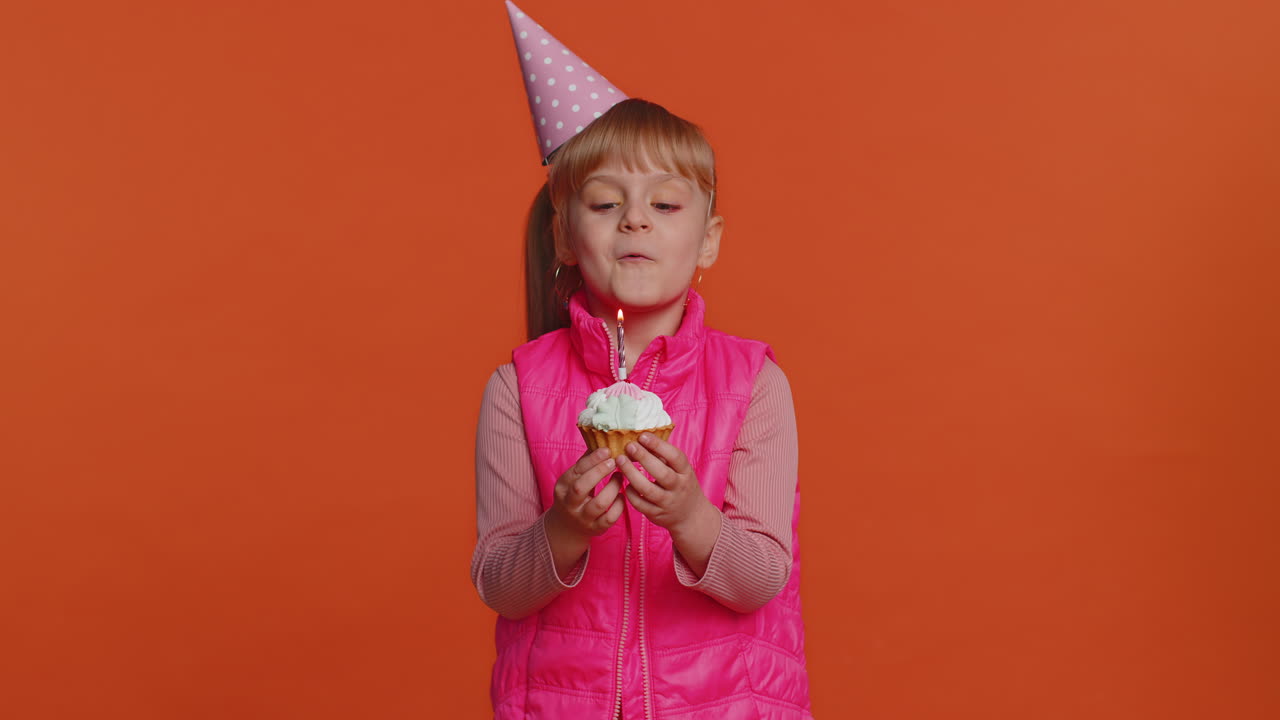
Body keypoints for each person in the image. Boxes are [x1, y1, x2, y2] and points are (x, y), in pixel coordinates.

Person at [471, 4, 812, 718]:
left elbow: (762, 580)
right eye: (604, 203)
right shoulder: (518, 388)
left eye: (664, 202)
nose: (635, 220)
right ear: (564, 237)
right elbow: (499, 585)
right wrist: (564, 530)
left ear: (708, 240)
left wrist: (691, 516)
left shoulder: (754, 386)